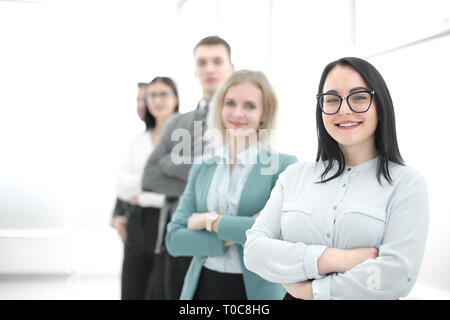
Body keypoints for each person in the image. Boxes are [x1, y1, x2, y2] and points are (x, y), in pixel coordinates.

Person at [243, 57, 429, 300]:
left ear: (380, 104)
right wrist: (335, 259)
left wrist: (314, 291)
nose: (344, 109)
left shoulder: (406, 183)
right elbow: (254, 251)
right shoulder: (294, 176)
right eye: (331, 99)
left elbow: (397, 276)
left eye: (359, 96)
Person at [165, 70, 298, 300]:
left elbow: (279, 237)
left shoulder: (283, 166)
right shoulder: (202, 166)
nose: (238, 113)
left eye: (250, 106)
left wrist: (209, 221)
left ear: (264, 113)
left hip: (254, 292)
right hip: (201, 288)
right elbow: (174, 239)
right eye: (230, 103)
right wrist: (247, 229)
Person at [141, 36, 235, 299]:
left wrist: (172, 164)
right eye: (202, 62)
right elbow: (149, 177)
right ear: (195, 70)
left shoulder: (244, 120)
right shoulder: (177, 123)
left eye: (217, 61)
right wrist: (204, 180)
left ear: (231, 67)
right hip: (184, 235)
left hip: (229, 235)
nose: (209, 69)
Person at [115, 77, 179, 300]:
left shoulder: (183, 140)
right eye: (152, 95)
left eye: (164, 94)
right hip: (138, 223)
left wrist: (141, 188)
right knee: (132, 289)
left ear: (176, 98)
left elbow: (182, 185)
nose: (158, 100)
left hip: (170, 220)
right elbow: (122, 187)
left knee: (163, 291)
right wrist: (159, 180)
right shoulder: (138, 141)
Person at [112, 82, 150, 242]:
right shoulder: (138, 140)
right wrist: (117, 215)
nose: (140, 106)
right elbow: (123, 183)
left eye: (145, 100)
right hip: (133, 225)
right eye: (138, 101)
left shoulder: (176, 139)